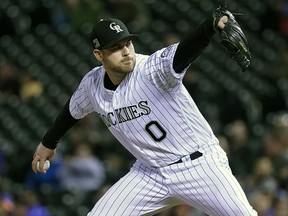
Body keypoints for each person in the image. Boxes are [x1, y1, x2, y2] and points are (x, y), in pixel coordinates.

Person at [31, 9, 258, 216]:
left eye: (127, 43)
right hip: (150, 174)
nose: (126, 52)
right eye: (116, 48)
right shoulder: (92, 83)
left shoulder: (151, 68)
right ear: (99, 55)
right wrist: (48, 143)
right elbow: (72, 110)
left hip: (198, 165)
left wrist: (209, 26)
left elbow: (184, 50)